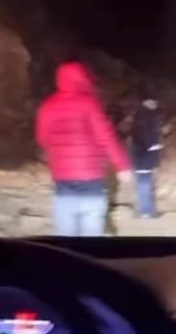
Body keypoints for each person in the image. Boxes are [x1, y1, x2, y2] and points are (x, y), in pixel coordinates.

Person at [36, 62, 133, 236]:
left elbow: (42, 139)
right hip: (91, 179)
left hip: (63, 180)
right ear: (83, 80)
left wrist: (59, 152)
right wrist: (122, 166)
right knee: (91, 234)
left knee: (65, 237)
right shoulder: (89, 104)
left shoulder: (47, 106)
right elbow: (106, 137)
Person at [130, 92, 163, 218]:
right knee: (145, 183)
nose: (156, 104)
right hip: (143, 156)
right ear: (146, 102)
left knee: (144, 182)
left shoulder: (141, 115)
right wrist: (154, 145)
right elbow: (147, 135)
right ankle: (146, 211)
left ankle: (147, 209)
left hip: (140, 155)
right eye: (153, 101)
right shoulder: (145, 116)